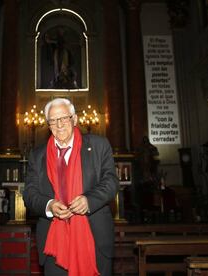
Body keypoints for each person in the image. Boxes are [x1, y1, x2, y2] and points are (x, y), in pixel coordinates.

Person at [23, 98, 119, 276]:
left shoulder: (98, 146)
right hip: (54, 242)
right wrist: (49, 205)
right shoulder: (37, 155)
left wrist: (89, 200)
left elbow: (111, 181)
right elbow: (29, 193)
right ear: (48, 124)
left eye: (64, 118)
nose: (59, 124)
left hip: (94, 236)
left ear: (74, 119)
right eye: (53, 120)